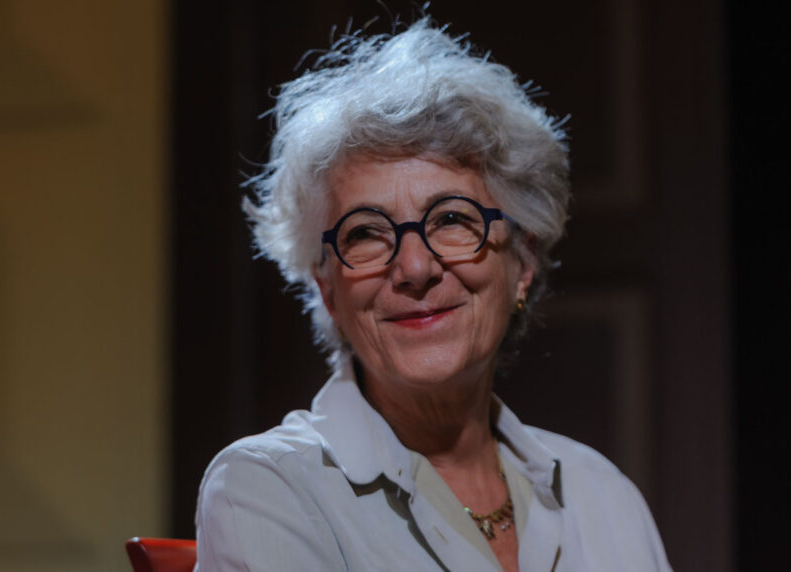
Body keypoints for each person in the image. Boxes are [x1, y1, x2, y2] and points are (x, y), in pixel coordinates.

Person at [195, 18, 672, 572]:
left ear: (522, 264)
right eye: (366, 232)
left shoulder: (604, 497)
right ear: (328, 291)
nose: (415, 268)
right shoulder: (270, 488)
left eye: (451, 219)